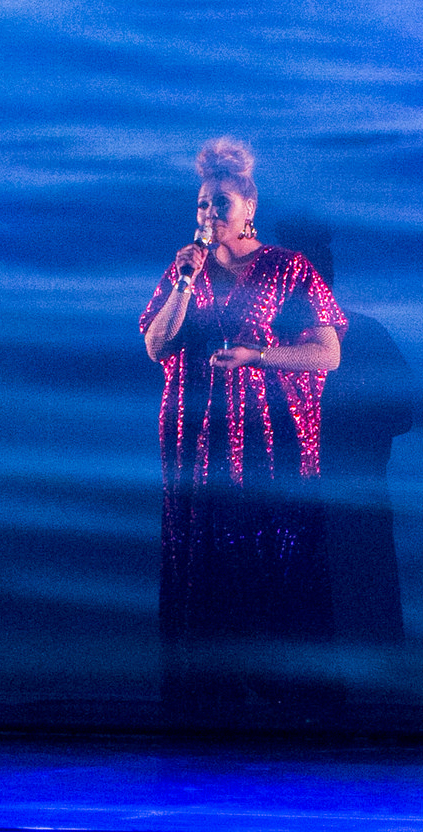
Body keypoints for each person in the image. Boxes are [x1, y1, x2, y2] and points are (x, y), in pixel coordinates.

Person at [140, 137, 347, 716]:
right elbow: (156, 346)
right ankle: (209, 689)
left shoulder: (289, 268)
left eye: (221, 203)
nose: (209, 214)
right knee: (204, 548)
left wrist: (259, 356)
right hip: (198, 436)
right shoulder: (186, 269)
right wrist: (184, 282)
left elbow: (327, 353)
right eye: (202, 204)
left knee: (269, 541)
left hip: (268, 436)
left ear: (249, 207)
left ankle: (284, 689)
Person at [275, 219, 412, 651]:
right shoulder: (363, 333)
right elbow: (402, 413)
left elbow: (402, 412)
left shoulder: (363, 334)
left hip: (342, 501)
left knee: (351, 612)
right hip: (315, 502)